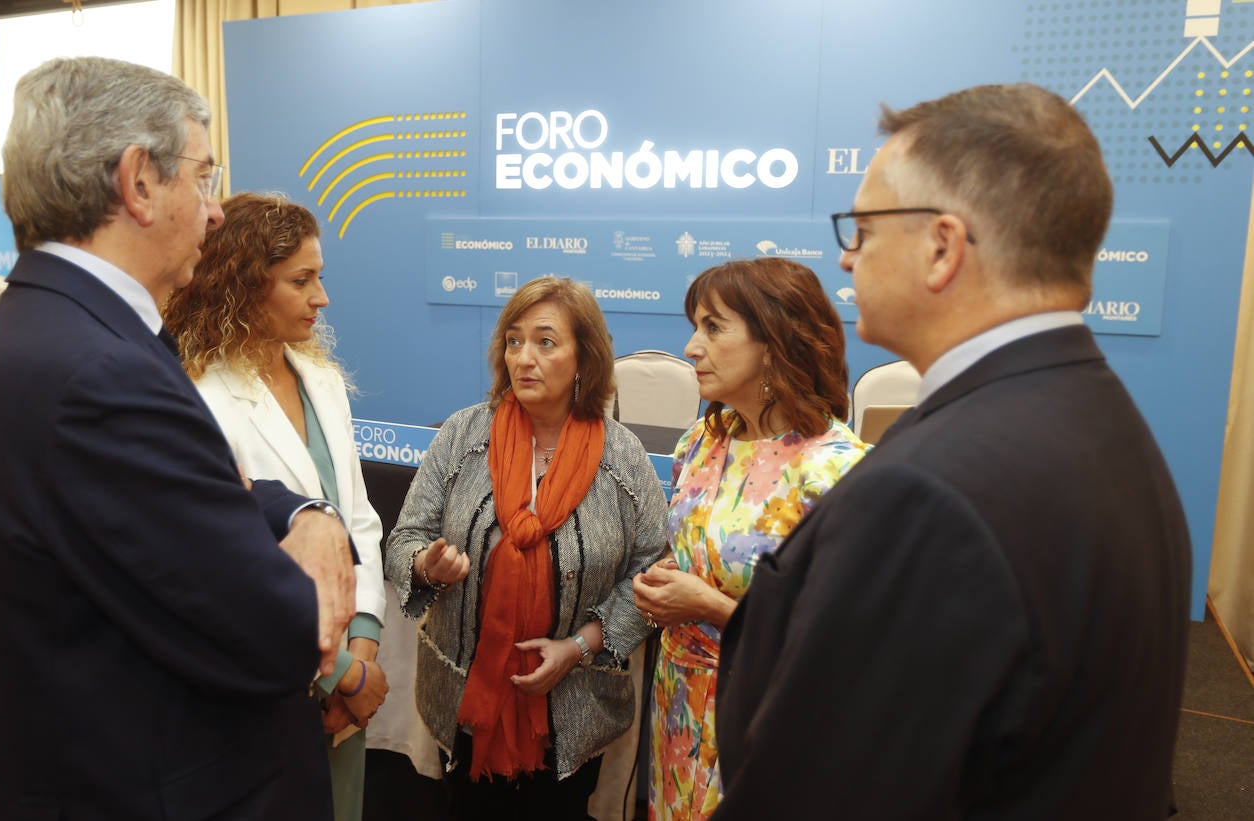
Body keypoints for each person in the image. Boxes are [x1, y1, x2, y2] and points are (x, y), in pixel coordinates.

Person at [713, 83, 1192, 820]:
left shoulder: (928, 493)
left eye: (863, 229)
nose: (846, 259)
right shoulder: (1094, 411)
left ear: (942, 247)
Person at [0, 57, 357, 820]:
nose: (214, 211)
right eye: (203, 177)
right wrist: (311, 556)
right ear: (138, 183)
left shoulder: (56, 330)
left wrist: (306, 514)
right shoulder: (100, 374)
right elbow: (279, 629)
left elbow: (208, 497)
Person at [385, 275, 668, 820]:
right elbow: (404, 539)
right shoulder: (464, 435)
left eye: (545, 342)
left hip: (576, 711)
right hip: (466, 707)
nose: (524, 359)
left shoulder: (624, 456)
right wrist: (426, 566)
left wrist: (580, 647)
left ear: (584, 357)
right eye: (514, 341)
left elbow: (652, 572)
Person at [162, 192, 390, 819]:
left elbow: (358, 520)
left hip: (350, 683)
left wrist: (365, 642)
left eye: (321, 277)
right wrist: (339, 673)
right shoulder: (199, 399)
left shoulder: (321, 378)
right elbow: (224, 570)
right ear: (242, 286)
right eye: (302, 280)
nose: (323, 298)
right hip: (269, 687)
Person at [632, 257, 869, 820]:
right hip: (679, 710)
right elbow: (694, 547)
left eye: (713, 328)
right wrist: (664, 580)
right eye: (696, 326)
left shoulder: (838, 470)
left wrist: (709, 606)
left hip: (771, 719)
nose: (691, 347)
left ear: (774, 342)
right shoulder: (703, 440)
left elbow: (847, 642)